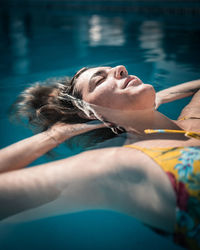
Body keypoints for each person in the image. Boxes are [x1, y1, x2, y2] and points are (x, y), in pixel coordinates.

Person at [0, 65, 200, 249]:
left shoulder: (194, 116)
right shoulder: (118, 166)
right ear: (91, 114)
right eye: (99, 80)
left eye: (115, 69)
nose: (121, 68)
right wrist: (55, 135)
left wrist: (161, 97)